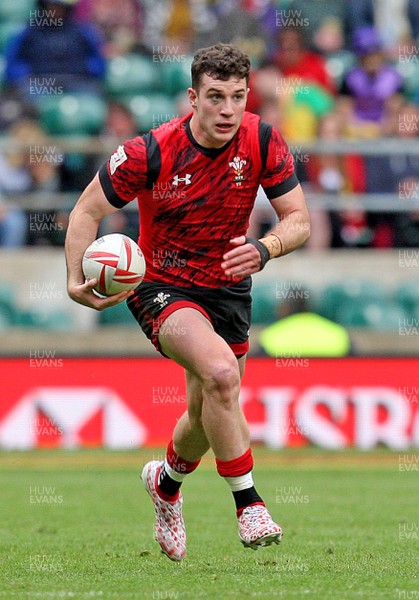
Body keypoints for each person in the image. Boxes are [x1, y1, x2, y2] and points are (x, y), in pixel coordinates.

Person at [65, 43, 310, 561]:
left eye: (237, 97)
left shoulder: (263, 140)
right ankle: (249, 503)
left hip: (228, 285)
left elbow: (299, 220)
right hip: (160, 285)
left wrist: (264, 249)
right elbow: (85, 211)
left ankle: (167, 485)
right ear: (192, 97)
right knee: (222, 374)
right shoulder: (149, 151)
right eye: (216, 97)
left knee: (205, 409)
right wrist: (73, 280)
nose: (227, 109)